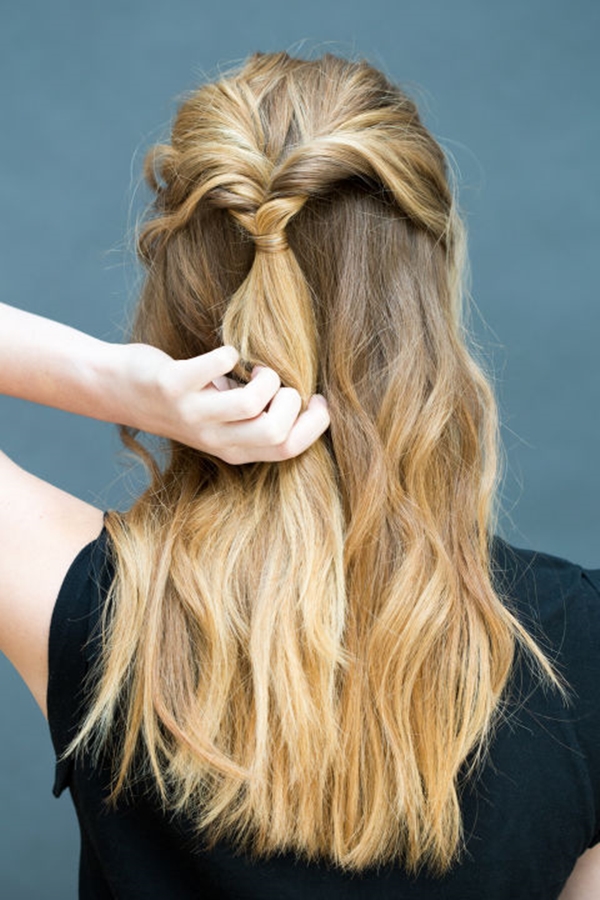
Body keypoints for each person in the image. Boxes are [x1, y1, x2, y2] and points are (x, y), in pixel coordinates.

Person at [0, 50, 598, 899]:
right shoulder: (582, 648)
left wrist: (117, 382)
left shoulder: (100, 614)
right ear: (431, 305)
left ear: (177, 307)